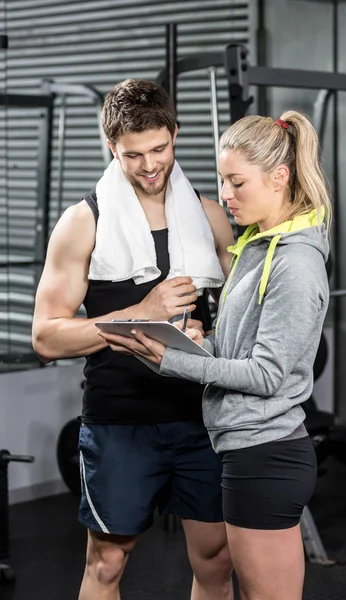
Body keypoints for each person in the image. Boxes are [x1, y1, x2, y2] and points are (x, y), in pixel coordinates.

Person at [99, 111, 332, 600]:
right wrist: (199, 342)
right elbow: (243, 349)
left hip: (266, 455)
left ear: (280, 177)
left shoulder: (295, 263)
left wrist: (171, 361)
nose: (224, 195)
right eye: (222, 180)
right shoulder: (256, 246)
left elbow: (267, 375)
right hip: (244, 449)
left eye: (236, 182)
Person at [32, 79, 235, 600]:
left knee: (215, 560)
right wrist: (139, 313)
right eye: (133, 155)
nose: (149, 165)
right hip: (121, 418)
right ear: (111, 148)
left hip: (202, 415)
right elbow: (47, 337)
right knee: (106, 564)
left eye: (160, 149)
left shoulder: (211, 216)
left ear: (175, 134)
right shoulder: (84, 223)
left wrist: (207, 333)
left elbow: (245, 316)